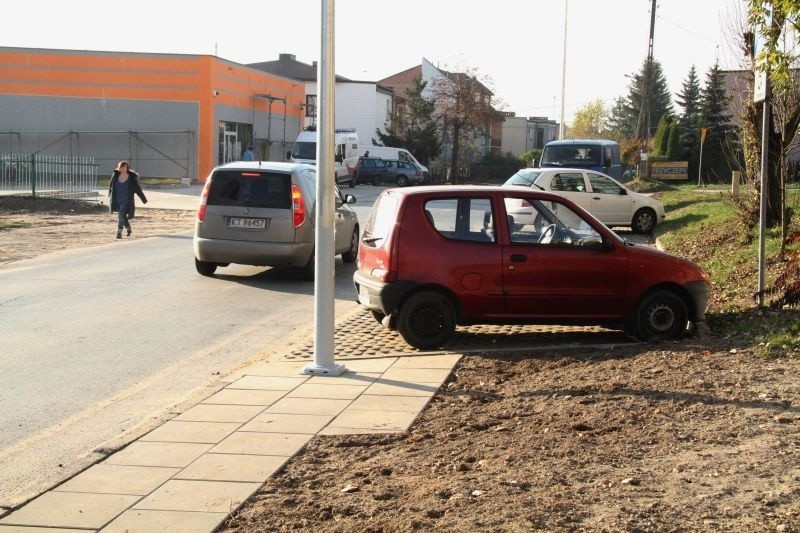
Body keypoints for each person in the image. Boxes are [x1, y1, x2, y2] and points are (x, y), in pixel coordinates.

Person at [108, 161, 147, 239]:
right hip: (117, 199)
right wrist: (109, 194)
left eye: (124, 167)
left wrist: (143, 199)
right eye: (120, 167)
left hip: (126, 200)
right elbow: (111, 186)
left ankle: (119, 232)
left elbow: (137, 189)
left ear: (127, 168)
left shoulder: (131, 178)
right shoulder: (115, 175)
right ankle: (128, 228)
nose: (122, 168)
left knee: (121, 215)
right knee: (122, 216)